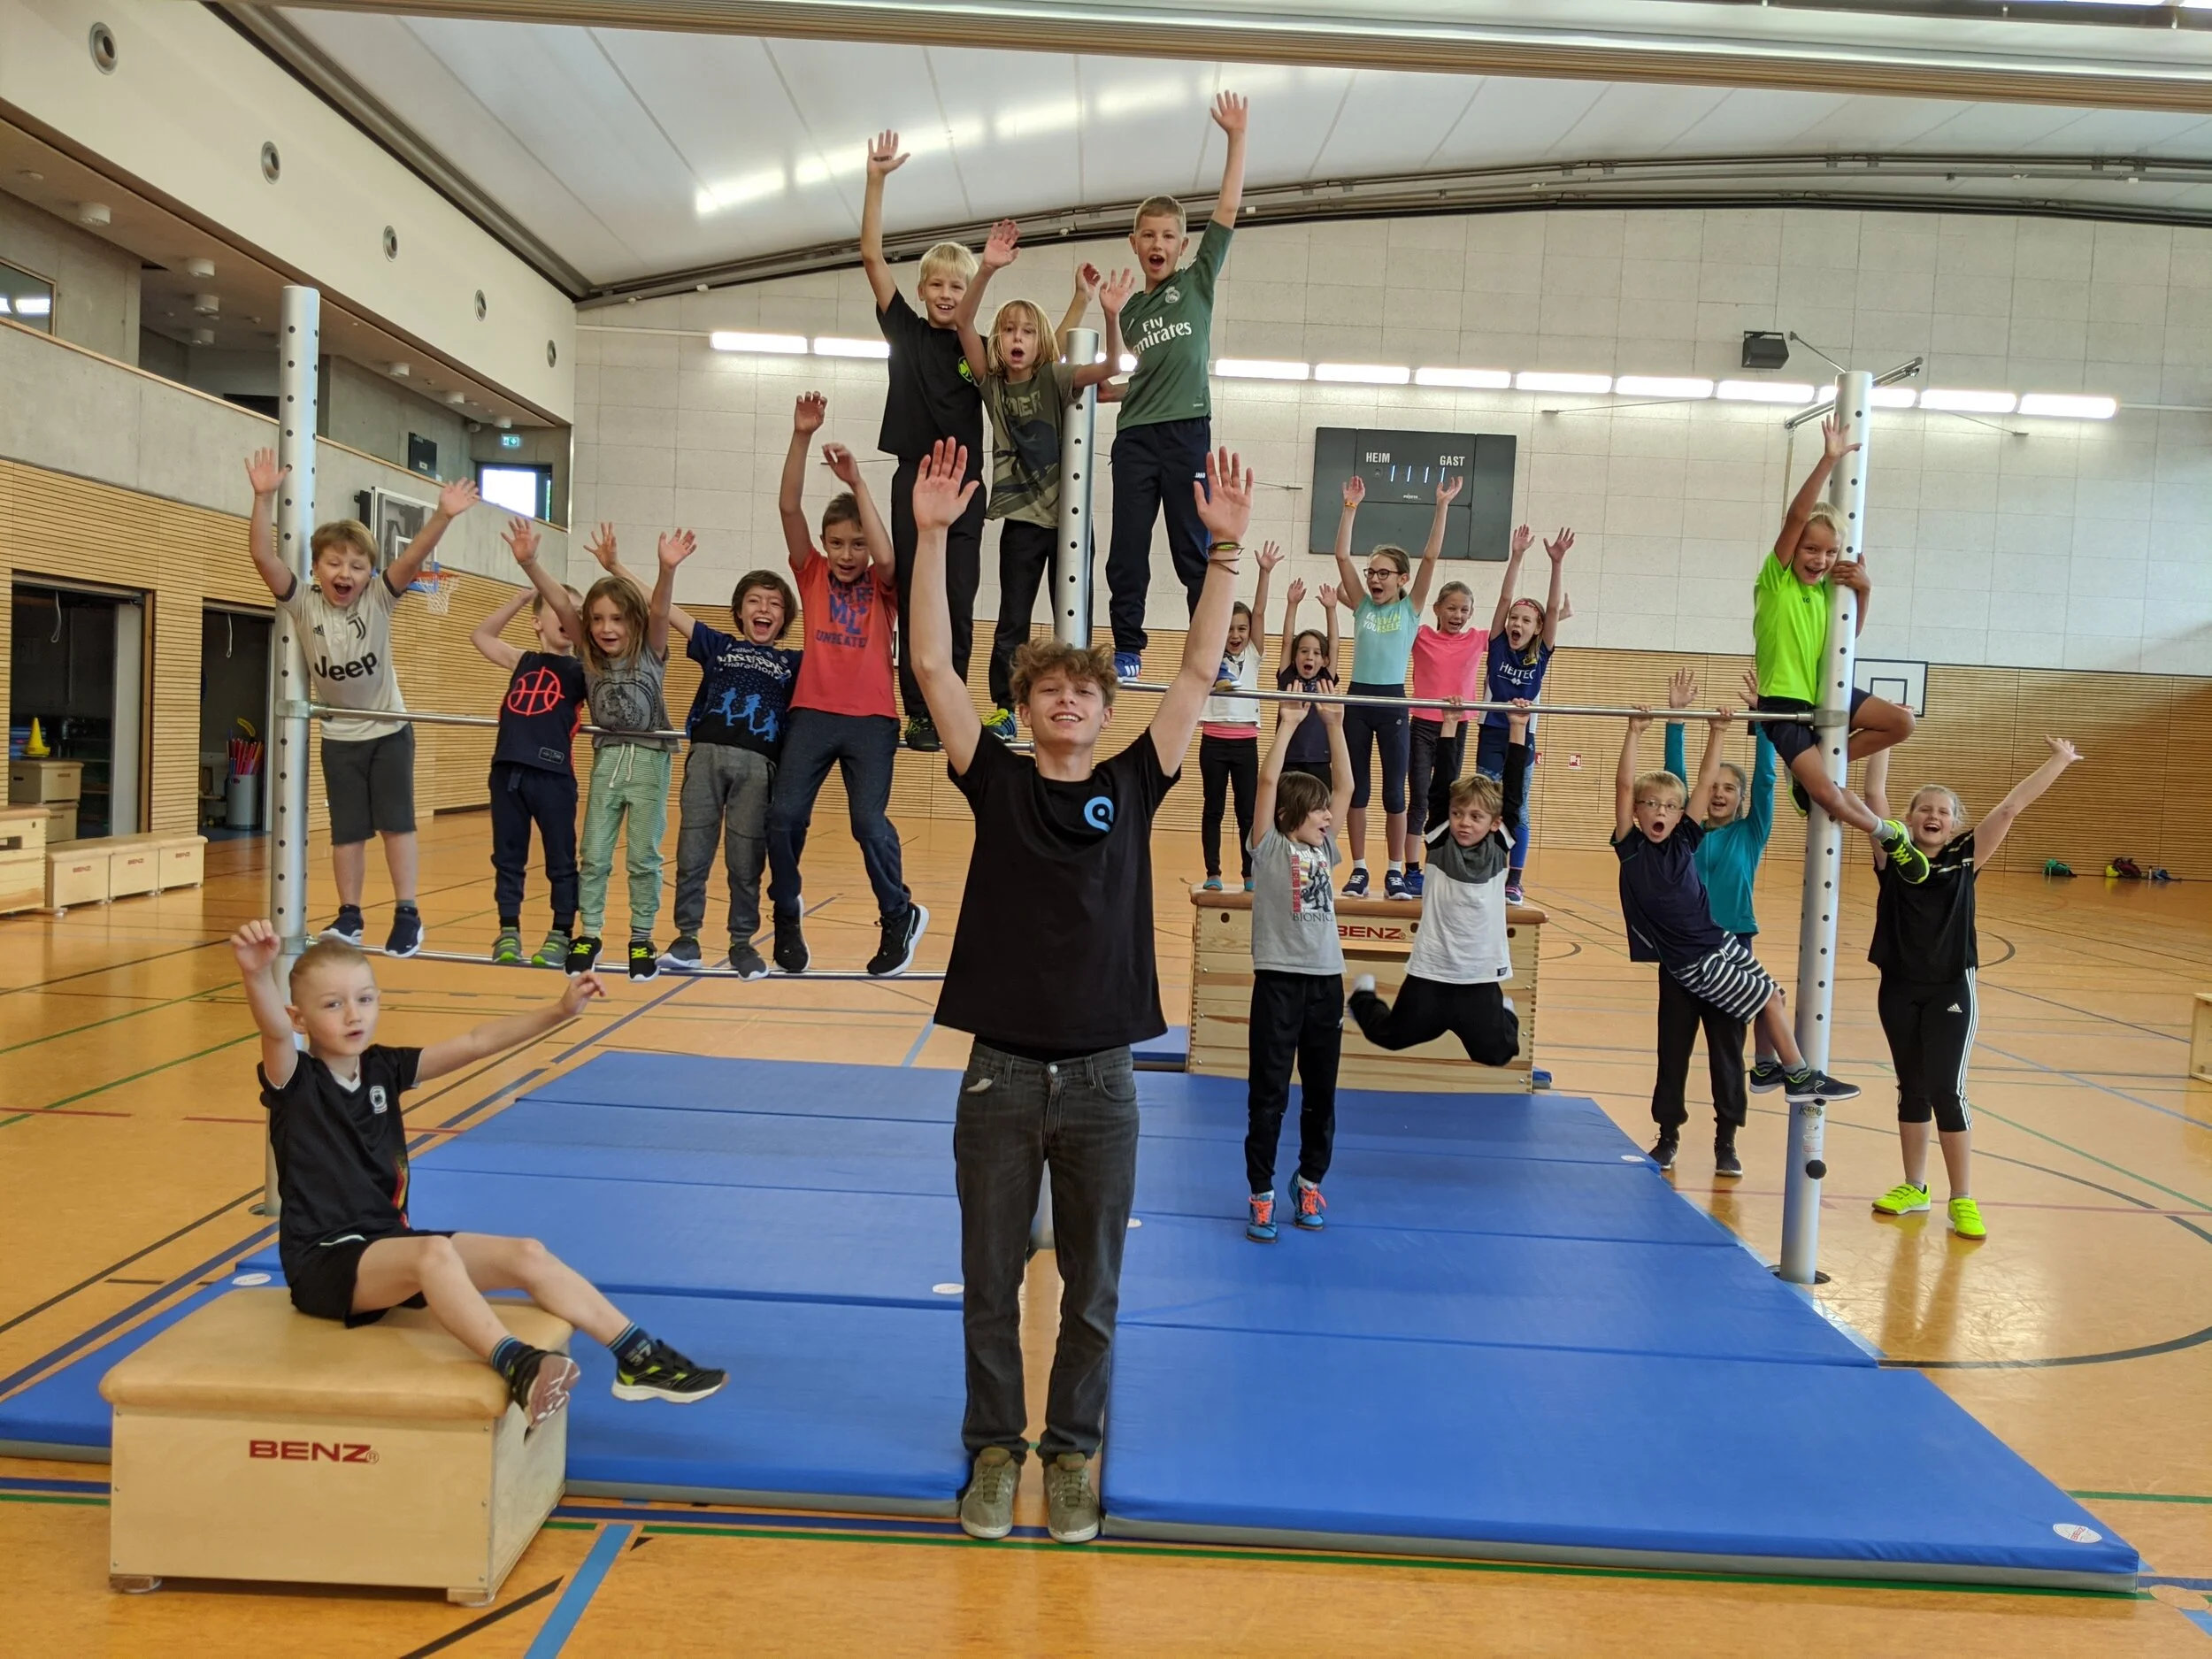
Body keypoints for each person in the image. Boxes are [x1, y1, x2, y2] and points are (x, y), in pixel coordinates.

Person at [906, 434, 1251, 1548]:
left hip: (1105, 1078)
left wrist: (1226, 555)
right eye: (1049, 687)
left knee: (1093, 1293)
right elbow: (929, 669)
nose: (1067, 699)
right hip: (998, 1074)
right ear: (1026, 704)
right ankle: (994, 1452)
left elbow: (1197, 674)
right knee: (990, 1287)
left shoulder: (1132, 785)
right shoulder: (993, 779)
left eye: (1084, 690)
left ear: (1105, 713)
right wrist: (927, 539)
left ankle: (1070, 1455)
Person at [232, 918, 725, 1423]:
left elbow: (476, 1041)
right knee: (433, 1252)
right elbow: (270, 1030)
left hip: (387, 1247)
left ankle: (639, 1358)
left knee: (526, 1254)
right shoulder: (296, 1081)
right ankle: (518, 1364)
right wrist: (256, 974)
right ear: (299, 1018)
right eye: (332, 1004)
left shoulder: (384, 1068)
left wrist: (559, 1010)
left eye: (365, 999)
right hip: (326, 1265)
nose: (353, 1015)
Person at [244, 449, 476, 957]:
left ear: (370, 572)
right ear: (317, 568)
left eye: (357, 564)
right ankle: (350, 915)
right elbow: (264, 558)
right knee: (347, 833)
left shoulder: (378, 598)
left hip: (389, 731)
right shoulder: (302, 601)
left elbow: (412, 558)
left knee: (396, 823)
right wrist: (262, 497)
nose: (345, 572)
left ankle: (408, 914)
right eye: (334, 563)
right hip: (339, 735)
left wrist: (442, 514)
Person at [1863, 738, 2081, 1240]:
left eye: (1943, 811)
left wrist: (2059, 760)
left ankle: (1962, 1197)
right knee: (1910, 1088)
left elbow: (2011, 806)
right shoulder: (1892, 852)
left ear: (1956, 824)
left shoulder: (1967, 856)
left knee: (1946, 1089)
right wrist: (1885, 736)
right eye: (1924, 809)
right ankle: (1915, 1187)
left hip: (1949, 987)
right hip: (1897, 985)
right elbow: (1874, 794)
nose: (1932, 815)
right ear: (1911, 818)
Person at [1613, 706, 1862, 1127]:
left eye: (1670, 806)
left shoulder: (1687, 839)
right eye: (1650, 805)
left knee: (1774, 995)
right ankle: (1799, 1075)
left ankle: (1766, 1067)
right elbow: (1623, 786)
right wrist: (1635, 732)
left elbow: (1705, 781)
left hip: (1721, 938)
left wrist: (1720, 732)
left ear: (1680, 815)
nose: (1660, 812)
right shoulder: (1632, 848)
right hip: (1692, 959)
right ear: (1637, 812)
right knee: (1762, 1000)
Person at [575, 532, 801, 981]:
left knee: (745, 857)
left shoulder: (794, 663)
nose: (763, 609)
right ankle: (687, 937)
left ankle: (742, 941)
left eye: (774, 604)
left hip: (759, 767)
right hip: (704, 759)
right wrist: (618, 568)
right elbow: (664, 611)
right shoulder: (718, 647)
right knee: (692, 850)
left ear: (785, 618)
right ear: (739, 611)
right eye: (754, 601)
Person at [764, 393, 927, 978]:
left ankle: (898, 913)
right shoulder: (809, 573)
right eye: (837, 543)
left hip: (871, 720)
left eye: (855, 543)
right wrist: (802, 435)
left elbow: (888, 558)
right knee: (783, 817)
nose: (847, 554)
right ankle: (786, 911)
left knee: (867, 822)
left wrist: (859, 483)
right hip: (811, 712)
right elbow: (787, 505)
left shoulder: (883, 583)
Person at [954, 222, 1131, 739]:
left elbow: (1112, 365)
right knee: (1012, 617)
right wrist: (986, 267)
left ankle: (1080, 701)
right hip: (1021, 521)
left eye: (1027, 332)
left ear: (1041, 342)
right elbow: (964, 321)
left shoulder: (1054, 377)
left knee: (1072, 618)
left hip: (1069, 517)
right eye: (1008, 330)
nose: (1016, 339)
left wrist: (1108, 313)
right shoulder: (989, 383)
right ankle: (1006, 708)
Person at [1104, 91, 1248, 683]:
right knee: (1128, 548)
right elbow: (1120, 369)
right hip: (1136, 436)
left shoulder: (1197, 283)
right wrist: (1111, 313)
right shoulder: (1133, 307)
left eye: (1168, 236)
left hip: (1188, 431)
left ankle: (1208, 648)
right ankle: (1127, 643)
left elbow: (1228, 209)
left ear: (1182, 246)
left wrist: (1236, 138)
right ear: (1135, 245)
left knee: (1193, 545)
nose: (1159, 244)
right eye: (1148, 236)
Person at [862, 128, 986, 756]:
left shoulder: (975, 350)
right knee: (916, 591)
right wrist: (877, 180)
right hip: (914, 475)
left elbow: (1027, 363)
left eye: (957, 287)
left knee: (958, 597)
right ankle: (918, 711)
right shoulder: (905, 333)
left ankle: (953, 703)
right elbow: (871, 258)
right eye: (937, 284)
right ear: (922, 290)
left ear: (969, 296)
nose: (945, 294)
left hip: (963, 484)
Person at [1753, 416, 1921, 856]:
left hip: (1830, 690)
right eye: (1811, 549)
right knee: (1825, 799)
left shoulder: (1831, 592)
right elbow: (1796, 516)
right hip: (1785, 702)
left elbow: (1850, 640)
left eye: (1830, 552)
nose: (1820, 559)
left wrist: (1865, 591)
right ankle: (1889, 834)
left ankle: (1823, 761)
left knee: (1902, 722)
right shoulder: (1778, 582)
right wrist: (1829, 459)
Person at [518, 530, 683, 980]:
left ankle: (641, 937)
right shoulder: (589, 654)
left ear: (632, 622)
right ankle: (589, 932)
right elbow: (561, 605)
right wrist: (531, 564)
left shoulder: (650, 651)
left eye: (616, 619)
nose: (606, 628)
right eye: (597, 619)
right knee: (593, 852)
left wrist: (667, 568)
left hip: (650, 759)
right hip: (608, 758)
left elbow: (662, 610)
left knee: (643, 857)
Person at [1348, 703, 1531, 1072]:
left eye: (1476, 817)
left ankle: (1503, 1014)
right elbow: (1439, 789)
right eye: (1458, 814)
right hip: (1432, 971)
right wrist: (1450, 725)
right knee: (1389, 1035)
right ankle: (1363, 997)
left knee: (1497, 1053)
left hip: (1478, 975)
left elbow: (1512, 794)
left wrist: (1518, 728)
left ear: (1494, 824)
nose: (1464, 823)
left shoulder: (1499, 847)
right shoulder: (1441, 841)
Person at [1654, 669, 1778, 1177]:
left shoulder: (1751, 834)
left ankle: (1727, 1141)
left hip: (1733, 950)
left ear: (1741, 797)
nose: (1721, 793)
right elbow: (1678, 778)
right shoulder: (1686, 834)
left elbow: (1768, 778)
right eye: (1715, 787)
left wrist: (1764, 720)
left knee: (1728, 1052)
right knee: (1673, 1050)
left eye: (1730, 788)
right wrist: (1678, 722)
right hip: (1681, 952)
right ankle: (1667, 1135)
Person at [1242, 695, 1354, 1243]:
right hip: (1279, 982)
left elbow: (1348, 790)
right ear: (1292, 817)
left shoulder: (1325, 848)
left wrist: (1333, 726)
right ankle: (1260, 1192)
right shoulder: (1268, 847)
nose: (1328, 817)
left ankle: (1309, 1181)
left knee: (1321, 1094)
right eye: (1318, 811)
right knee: (1269, 1094)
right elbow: (1266, 786)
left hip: (1325, 983)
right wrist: (1285, 726)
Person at [1329, 472, 1460, 899]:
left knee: (1393, 792)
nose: (1374, 579)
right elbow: (1340, 555)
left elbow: (1430, 557)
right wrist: (1350, 507)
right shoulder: (1362, 604)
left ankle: (1395, 870)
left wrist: (1441, 507)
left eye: (1383, 573)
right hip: (1357, 699)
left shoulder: (1411, 609)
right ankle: (1361, 868)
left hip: (1392, 702)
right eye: (1371, 573)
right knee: (1358, 790)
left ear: (1401, 579)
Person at [470, 520, 586, 968]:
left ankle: (560, 933)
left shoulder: (582, 671)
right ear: (540, 620)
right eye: (560, 610)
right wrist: (519, 598)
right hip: (507, 772)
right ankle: (508, 931)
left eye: (574, 613)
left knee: (560, 858)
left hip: (554, 775)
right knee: (508, 856)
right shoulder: (524, 660)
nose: (567, 617)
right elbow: (481, 637)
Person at [1480, 522, 1573, 903]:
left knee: (1518, 807)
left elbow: (1552, 608)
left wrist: (1556, 563)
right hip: (1491, 732)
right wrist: (1516, 555)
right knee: (1484, 801)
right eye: (1514, 619)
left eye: (1525, 621)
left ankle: (1514, 879)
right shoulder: (1498, 644)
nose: (1516, 624)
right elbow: (1504, 599)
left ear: (1537, 630)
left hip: (1524, 736)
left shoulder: (1541, 652)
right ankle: (1484, 869)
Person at [1198, 542, 1281, 891]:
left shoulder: (1253, 652)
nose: (1235, 635)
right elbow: (1205, 613)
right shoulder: (1210, 650)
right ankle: (1213, 873)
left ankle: (1250, 874)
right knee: (1214, 808)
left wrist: (1265, 572)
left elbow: (1260, 611)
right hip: (1214, 741)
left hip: (1246, 742)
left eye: (1241, 629)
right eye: (1230, 629)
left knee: (1247, 812)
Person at [1403, 577, 1487, 899]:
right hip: (1423, 725)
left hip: (1458, 725)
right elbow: (1394, 622)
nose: (1457, 615)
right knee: (1421, 798)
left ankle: (1440, 865)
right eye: (1451, 608)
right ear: (1437, 609)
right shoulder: (1421, 635)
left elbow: (1518, 631)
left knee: (1451, 799)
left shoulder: (1478, 639)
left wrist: (1557, 615)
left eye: (1464, 610)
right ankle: (1411, 869)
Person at [1274, 579, 1340, 787]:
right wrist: (1292, 604)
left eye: (1316, 653)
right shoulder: (1288, 678)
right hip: (1289, 758)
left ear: (1325, 660)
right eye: (1303, 651)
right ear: (1295, 657)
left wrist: (1331, 609)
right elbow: (1286, 641)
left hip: (1320, 759)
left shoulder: (1325, 680)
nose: (1309, 657)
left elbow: (1335, 645)